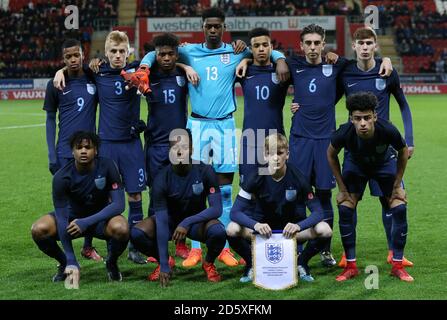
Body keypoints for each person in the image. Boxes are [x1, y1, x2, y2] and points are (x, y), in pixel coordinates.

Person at [139, 7, 289, 268]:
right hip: (196, 125)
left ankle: (225, 247)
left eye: (217, 26)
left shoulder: (235, 50)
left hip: (225, 126)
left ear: (223, 27)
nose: (212, 30)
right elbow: (156, 51)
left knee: (225, 187)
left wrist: (280, 58)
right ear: (203, 27)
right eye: (208, 26)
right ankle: (197, 247)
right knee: (197, 186)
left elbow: (263, 49)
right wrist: (180, 65)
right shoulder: (188, 50)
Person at [287, 24, 393, 268]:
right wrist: (277, 60)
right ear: (301, 45)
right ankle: (295, 248)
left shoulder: (338, 65)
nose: (312, 47)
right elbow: (267, 63)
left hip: (327, 139)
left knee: (324, 195)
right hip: (300, 139)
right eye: (308, 43)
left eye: (317, 43)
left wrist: (386, 58)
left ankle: (324, 250)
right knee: (297, 196)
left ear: (324, 44)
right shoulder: (292, 65)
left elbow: (366, 57)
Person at [53, 31, 147, 264]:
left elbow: (159, 58)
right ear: (106, 53)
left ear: (128, 52)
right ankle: (88, 244)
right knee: (99, 198)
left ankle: (136, 247)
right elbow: (74, 68)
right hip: (105, 147)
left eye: (122, 51)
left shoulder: (138, 71)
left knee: (135, 195)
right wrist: (59, 71)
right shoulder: (97, 72)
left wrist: (186, 68)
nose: (117, 56)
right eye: (113, 51)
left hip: (131, 145)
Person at [338, 27, 414, 268]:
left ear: (375, 46)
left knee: (388, 200)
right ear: (354, 45)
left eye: (369, 43)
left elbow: (403, 104)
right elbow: (327, 100)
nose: (364, 47)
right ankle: (347, 255)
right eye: (360, 43)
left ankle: (393, 251)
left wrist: (409, 139)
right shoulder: (345, 71)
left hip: (384, 149)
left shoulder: (386, 71)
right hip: (355, 150)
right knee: (351, 200)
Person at [327, 92, 413, 282]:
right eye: (358, 119)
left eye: (367, 117)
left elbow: (403, 151)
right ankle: (351, 266)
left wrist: (398, 184)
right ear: (351, 119)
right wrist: (342, 189)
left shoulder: (388, 130)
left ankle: (397, 266)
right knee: (345, 208)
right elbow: (331, 155)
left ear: (375, 116)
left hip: (383, 165)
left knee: (399, 206)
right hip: (355, 166)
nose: (363, 123)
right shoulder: (344, 132)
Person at [227, 133, 332, 282]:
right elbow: (235, 212)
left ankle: (301, 262)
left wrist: (298, 226)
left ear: (287, 154)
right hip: (262, 234)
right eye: (270, 153)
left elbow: (318, 213)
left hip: (290, 234)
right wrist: (255, 225)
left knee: (325, 229)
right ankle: (251, 263)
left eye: (280, 153)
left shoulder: (298, 177)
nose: (275, 158)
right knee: (232, 228)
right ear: (265, 155)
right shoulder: (256, 176)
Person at [130, 129, 227, 287]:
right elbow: (161, 222)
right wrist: (163, 263)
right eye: (175, 147)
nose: (180, 150)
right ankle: (166, 260)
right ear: (170, 151)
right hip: (170, 223)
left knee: (219, 232)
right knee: (137, 233)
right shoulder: (161, 179)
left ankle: (208, 263)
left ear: (192, 149)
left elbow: (216, 209)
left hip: (196, 223)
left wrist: (188, 222)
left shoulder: (205, 171)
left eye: (184, 146)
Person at [31, 131, 129, 286]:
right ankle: (64, 264)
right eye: (79, 147)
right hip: (72, 222)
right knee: (39, 229)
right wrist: (70, 259)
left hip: (100, 221)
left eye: (88, 147)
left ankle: (111, 262)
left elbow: (119, 204)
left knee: (122, 228)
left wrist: (86, 222)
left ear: (95, 150)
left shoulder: (108, 165)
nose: (83, 151)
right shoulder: (61, 177)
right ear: (72, 151)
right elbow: (62, 218)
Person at [43, 38, 101, 262]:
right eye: (68, 57)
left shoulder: (92, 77)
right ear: (63, 59)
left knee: (93, 199)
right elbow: (49, 119)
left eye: (76, 55)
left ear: (82, 54)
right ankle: (68, 255)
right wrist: (51, 154)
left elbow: (107, 68)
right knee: (65, 204)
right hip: (65, 153)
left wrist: (96, 62)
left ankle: (88, 245)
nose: (73, 59)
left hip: (91, 150)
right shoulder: (56, 84)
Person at [144, 33, 190, 259]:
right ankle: (153, 245)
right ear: (155, 55)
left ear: (176, 54)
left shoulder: (184, 73)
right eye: (161, 54)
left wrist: (185, 66)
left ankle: (180, 242)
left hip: (180, 142)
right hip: (155, 144)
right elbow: (131, 66)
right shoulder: (147, 74)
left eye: (171, 54)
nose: (166, 58)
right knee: (155, 194)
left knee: (180, 194)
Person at [236, 27, 289, 185]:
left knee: (273, 186)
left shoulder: (283, 71)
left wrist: (280, 60)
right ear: (250, 49)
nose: (261, 49)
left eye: (265, 45)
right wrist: (245, 60)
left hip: (275, 140)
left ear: (271, 47)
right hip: (249, 140)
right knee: (248, 189)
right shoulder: (243, 71)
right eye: (256, 46)